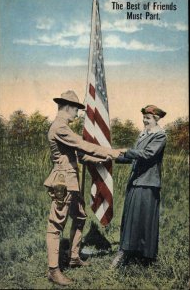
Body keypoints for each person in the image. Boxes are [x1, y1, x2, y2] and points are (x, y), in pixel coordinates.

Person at [44, 90, 124, 286]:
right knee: (56, 225)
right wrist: (111, 152)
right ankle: (53, 270)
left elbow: (79, 156)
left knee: (79, 217)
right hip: (62, 182)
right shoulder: (60, 127)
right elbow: (82, 145)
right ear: (68, 107)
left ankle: (73, 257)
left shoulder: (63, 128)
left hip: (71, 182)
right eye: (76, 110)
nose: (78, 114)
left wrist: (102, 158)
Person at [111, 105, 167, 268]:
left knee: (145, 220)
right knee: (131, 218)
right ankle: (127, 252)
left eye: (148, 118)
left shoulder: (160, 136)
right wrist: (114, 157)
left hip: (148, 183)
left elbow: (148, 154)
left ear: (156, 119)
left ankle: (145, 257)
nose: (145, 121)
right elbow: (135, 157)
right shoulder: (143, 135)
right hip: (136, 181)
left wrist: (126, 151)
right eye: (144, 118)